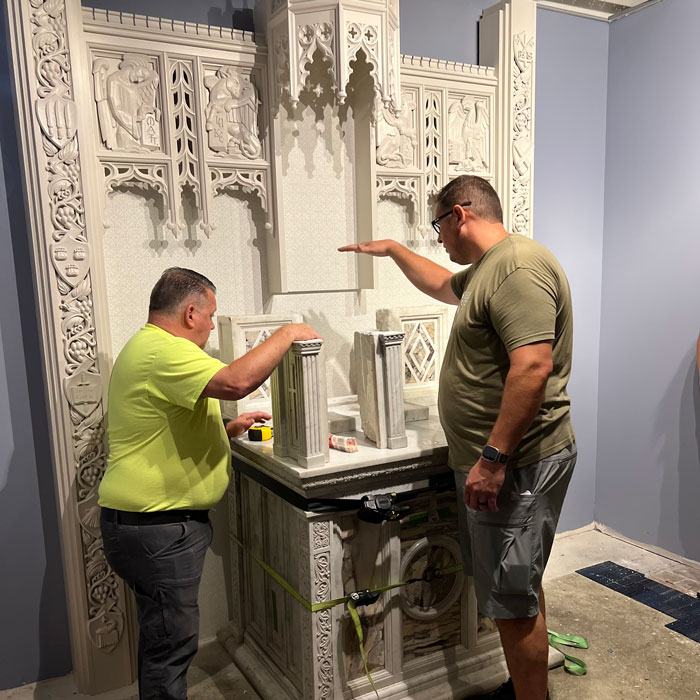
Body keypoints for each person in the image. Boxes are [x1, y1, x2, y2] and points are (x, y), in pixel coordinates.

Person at [340, 175, 576, 700]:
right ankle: (525, 688)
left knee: (513, 599)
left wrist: (493, 459)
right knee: (518, 585)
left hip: (517, 464)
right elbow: (442, 285)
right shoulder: (487, 271)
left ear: (460, 214)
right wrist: (394, 251)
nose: (438, 238)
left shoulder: (517, 268)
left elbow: (533, 367)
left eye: (437, 226)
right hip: (499, 462)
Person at [98, 267, 320, 700]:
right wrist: (289, 331)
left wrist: (228, 429)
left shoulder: (150, 348)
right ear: (191, 312)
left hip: (150, 527)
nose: (210, 327)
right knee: (172, 646)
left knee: (163, 637)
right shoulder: (164, 351)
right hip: (157, 529)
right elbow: (237, 382)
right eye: (210, 316)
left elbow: (169, 420)